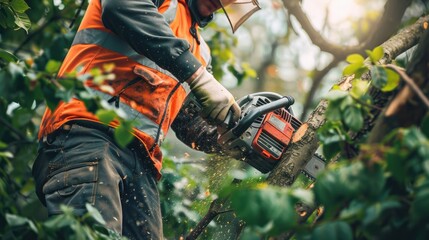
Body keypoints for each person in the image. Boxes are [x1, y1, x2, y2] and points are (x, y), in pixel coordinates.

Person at [31, 0, 257, 239]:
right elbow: (119, 6)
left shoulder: (200, 51)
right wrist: (197, 75)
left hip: (140, 162)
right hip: (86, 135)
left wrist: (223, 138)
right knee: (94, 234)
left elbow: (183, 117)